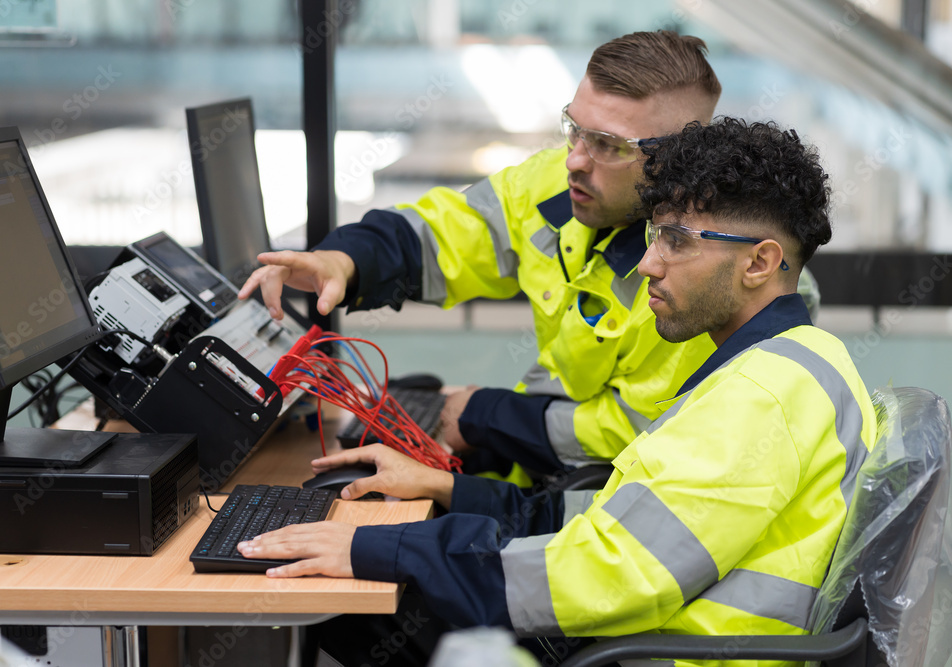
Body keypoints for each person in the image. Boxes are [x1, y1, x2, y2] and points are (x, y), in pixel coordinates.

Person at [238, 117, 875, 667]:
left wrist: (381, 546)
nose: (649, 264)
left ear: (760, 262)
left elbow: (607, 574)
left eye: (677, 241)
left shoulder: (760, 397)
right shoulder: (789, 362)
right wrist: (449, 491)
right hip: (656, 628)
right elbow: (620, 527)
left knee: (365, 604)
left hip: (659, 650)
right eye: (655, 236)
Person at [240, 31, 732, 479]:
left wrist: (488, 417)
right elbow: (452, 232)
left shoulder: (702, 281)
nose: (575, 159)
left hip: (600, 510)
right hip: (541, 468)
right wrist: (344, 261)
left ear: (674, 160)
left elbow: (638, 434)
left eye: (607, 145)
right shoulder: (560, 185)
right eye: (574, 128)